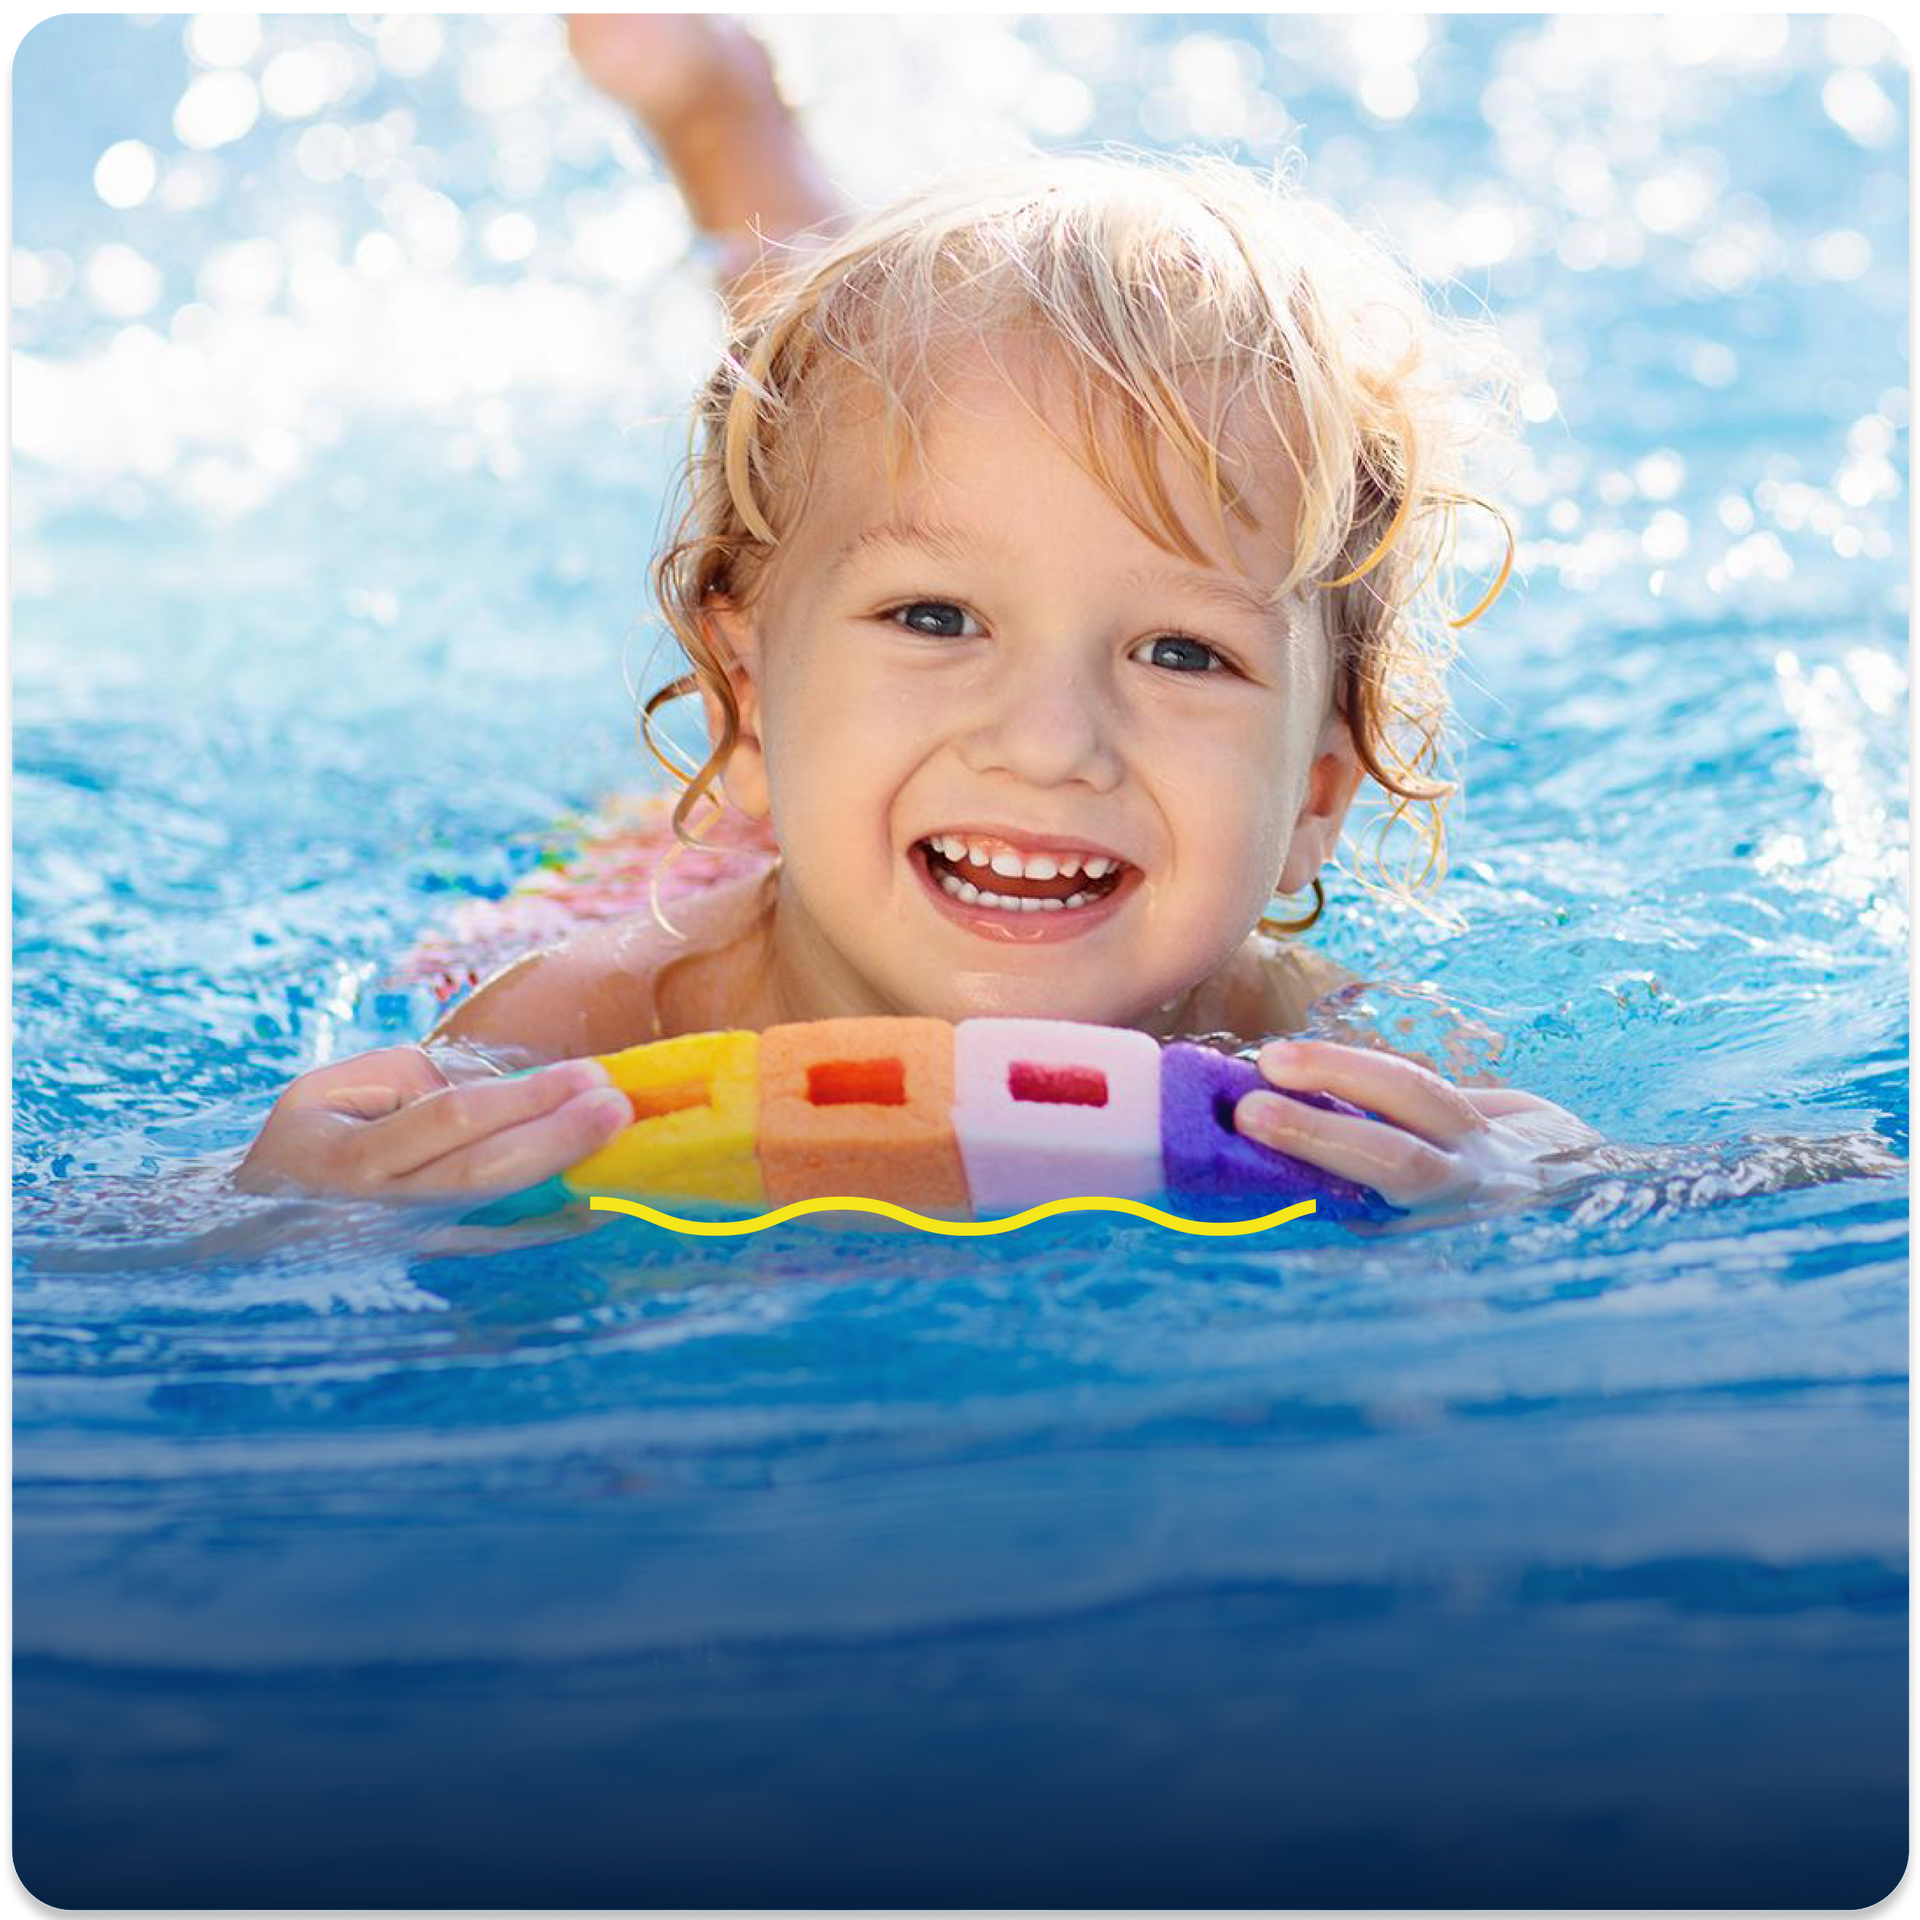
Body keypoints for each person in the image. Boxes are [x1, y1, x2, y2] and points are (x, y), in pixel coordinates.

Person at [235, 10, 1602, 1218]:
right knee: (834, 403)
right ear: (739, 705)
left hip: (872, 794)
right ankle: (721, 121)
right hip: (687, 852)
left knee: (888, 440)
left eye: (1183, 651)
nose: (1047, 742)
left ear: (1315, 797)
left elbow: (1647, 1182)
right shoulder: (579, 1022)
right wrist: (293, 1204)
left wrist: (1527, 1183)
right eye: (937, 619)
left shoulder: (1330, 1058)